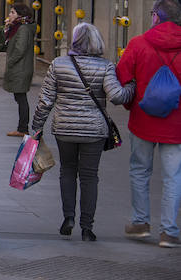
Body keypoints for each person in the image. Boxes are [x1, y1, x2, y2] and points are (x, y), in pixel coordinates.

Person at [31, 23, 135, 241]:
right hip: (93, 131)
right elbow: (117, 96)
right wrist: (132, 87)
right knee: (89, 176)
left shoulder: (58, 64)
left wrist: (37, 127)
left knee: (67, 171)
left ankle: (68, 218)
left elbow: (46, 99)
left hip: (64, 128)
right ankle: (87, 228)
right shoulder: (105, 66)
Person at [117, 0, 181, 248]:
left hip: (143, 119)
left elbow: (122, 76)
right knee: (173, 176)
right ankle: (169, 232)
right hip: (176, 124)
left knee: (140, 170)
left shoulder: (138, 43)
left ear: (156, 16)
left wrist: (130, 103)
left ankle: (140, 222)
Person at [3, 2, 36, 137]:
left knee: (21, 98)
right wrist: (7, 27)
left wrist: (10, 62)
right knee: (20, 97)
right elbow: (7, 42)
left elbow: (20, 49)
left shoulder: (23, 29)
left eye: (12, 12)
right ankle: (22, 127)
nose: (9, 15)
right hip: (20, 67)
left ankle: (23, 128)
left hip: (20, 68)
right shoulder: (17, 27)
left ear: (20, 15)